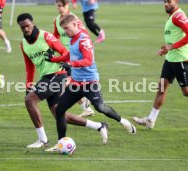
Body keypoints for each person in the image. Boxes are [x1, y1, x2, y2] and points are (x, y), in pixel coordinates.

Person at [17, 13, 109, 149]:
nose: (26, 29)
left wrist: (70, 74)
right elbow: (29, 67)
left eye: (28, 26)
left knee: (29, 100)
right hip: (46, 77)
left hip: (57, 74)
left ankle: (42, 140)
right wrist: (28, 85)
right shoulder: (23, 44)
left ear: (33, 23)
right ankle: (99, 126)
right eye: (22, 27)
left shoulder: (45, 36)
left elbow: (64, 52)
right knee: (59, 113)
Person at [46, 14, 136, 152]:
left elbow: (88, 60)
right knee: (59, 110)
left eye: (67, 28)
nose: (65, 31)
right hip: (76, 83)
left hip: (90, 82)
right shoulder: (72, 38)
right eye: (63, 29)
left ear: (75, 25)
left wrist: (71, 65)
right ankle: (60, 144)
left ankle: (123, 121)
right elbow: (70, 55)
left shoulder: (84, 40)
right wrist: (54, 60)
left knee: (100, 107)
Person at [132, 0, 188, 129]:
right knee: (161, 87)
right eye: (164, 1)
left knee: (187, 91)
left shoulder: (178, 15)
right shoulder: (172, 16)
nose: (166, 4)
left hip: (180, 59)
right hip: (171, 58)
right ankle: (150, 120)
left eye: (169, 1)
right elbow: (174, 37)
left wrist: (171, 47)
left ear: (176, 1)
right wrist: (165, 50)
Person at [54, 0, 94, 117]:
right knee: (69, 83)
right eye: (59, 6)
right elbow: (56, 35)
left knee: (65, 83)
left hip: (75, 57)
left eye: (63, 5)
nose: (61, 8)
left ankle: (86, 98)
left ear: (68, 5)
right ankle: (86, 106)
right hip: (65, 57)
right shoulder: (57, 20)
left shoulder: (73, 20)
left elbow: (84, 34)